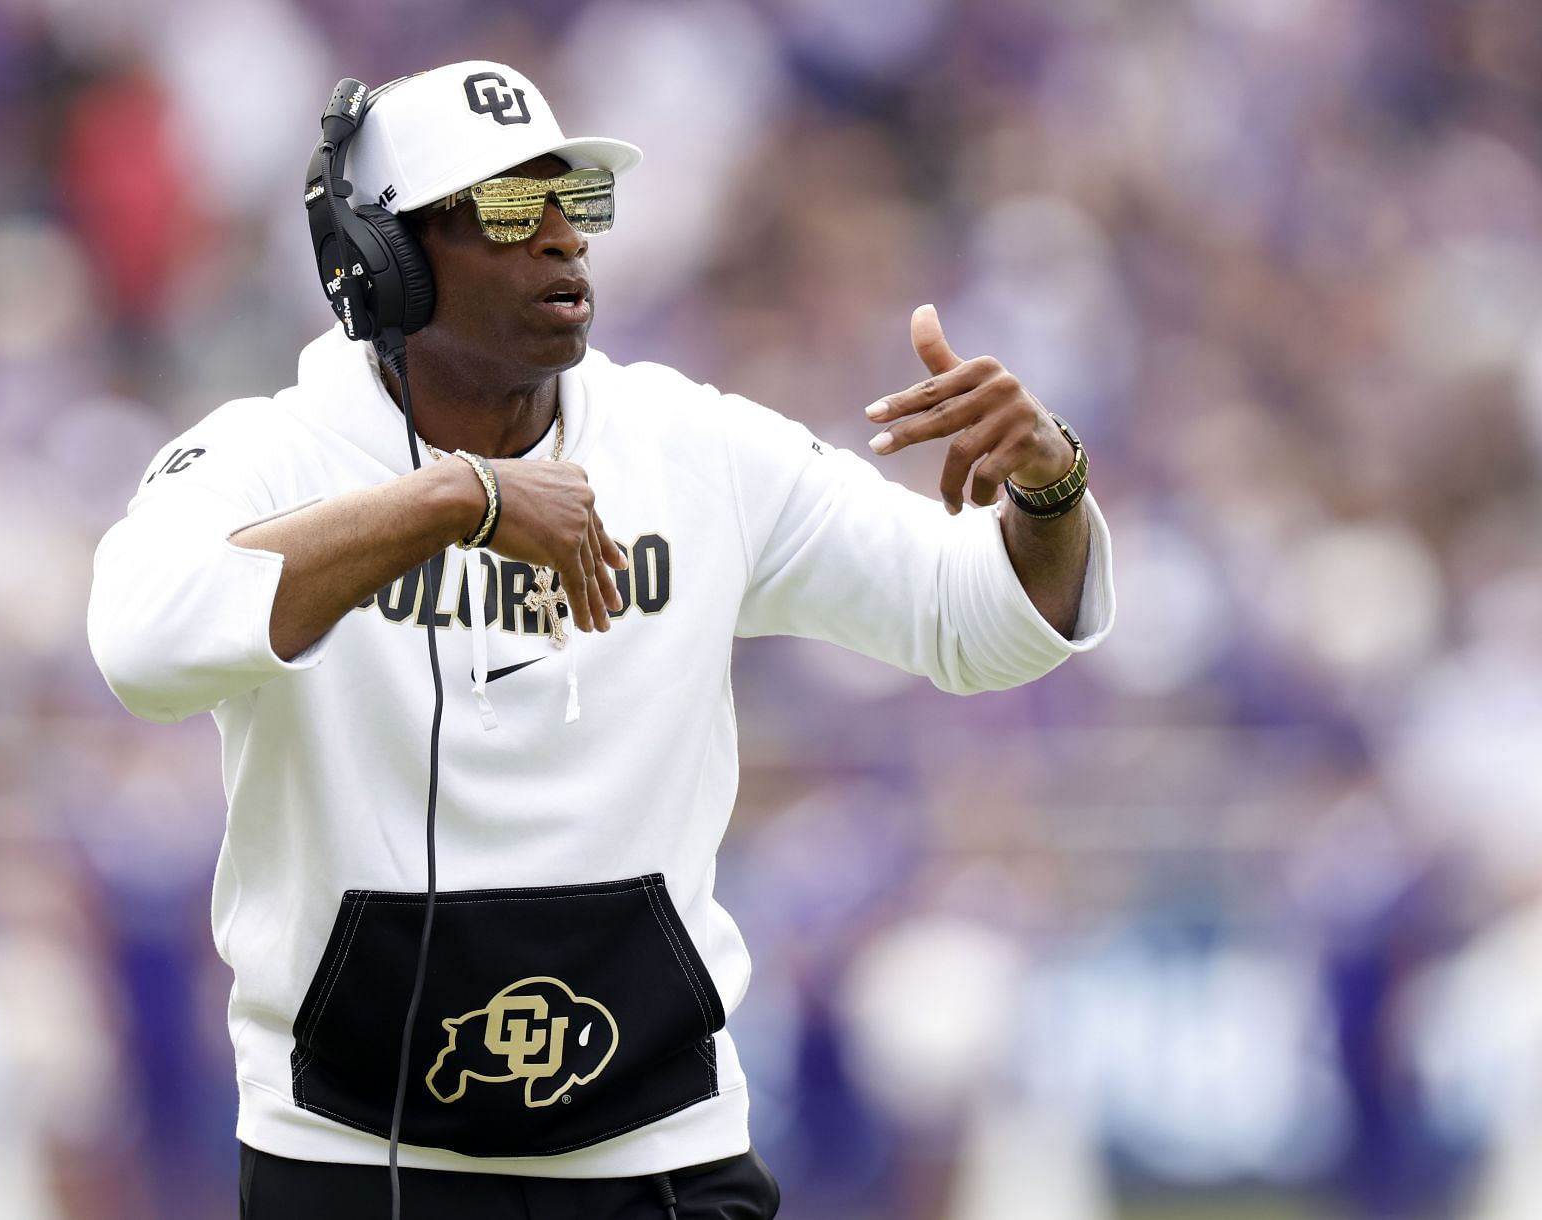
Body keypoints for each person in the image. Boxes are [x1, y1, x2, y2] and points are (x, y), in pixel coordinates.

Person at [86, 60, 1115, 1220]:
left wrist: (1050, 486)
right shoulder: (266, 453)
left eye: (580, 204)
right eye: (514, 209)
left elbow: (976, 621)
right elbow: (141, 642)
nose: (566, 239)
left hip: (661, 1155)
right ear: (382, 260)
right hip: (352, 1156)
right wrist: (454, 501)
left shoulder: (695, 445)